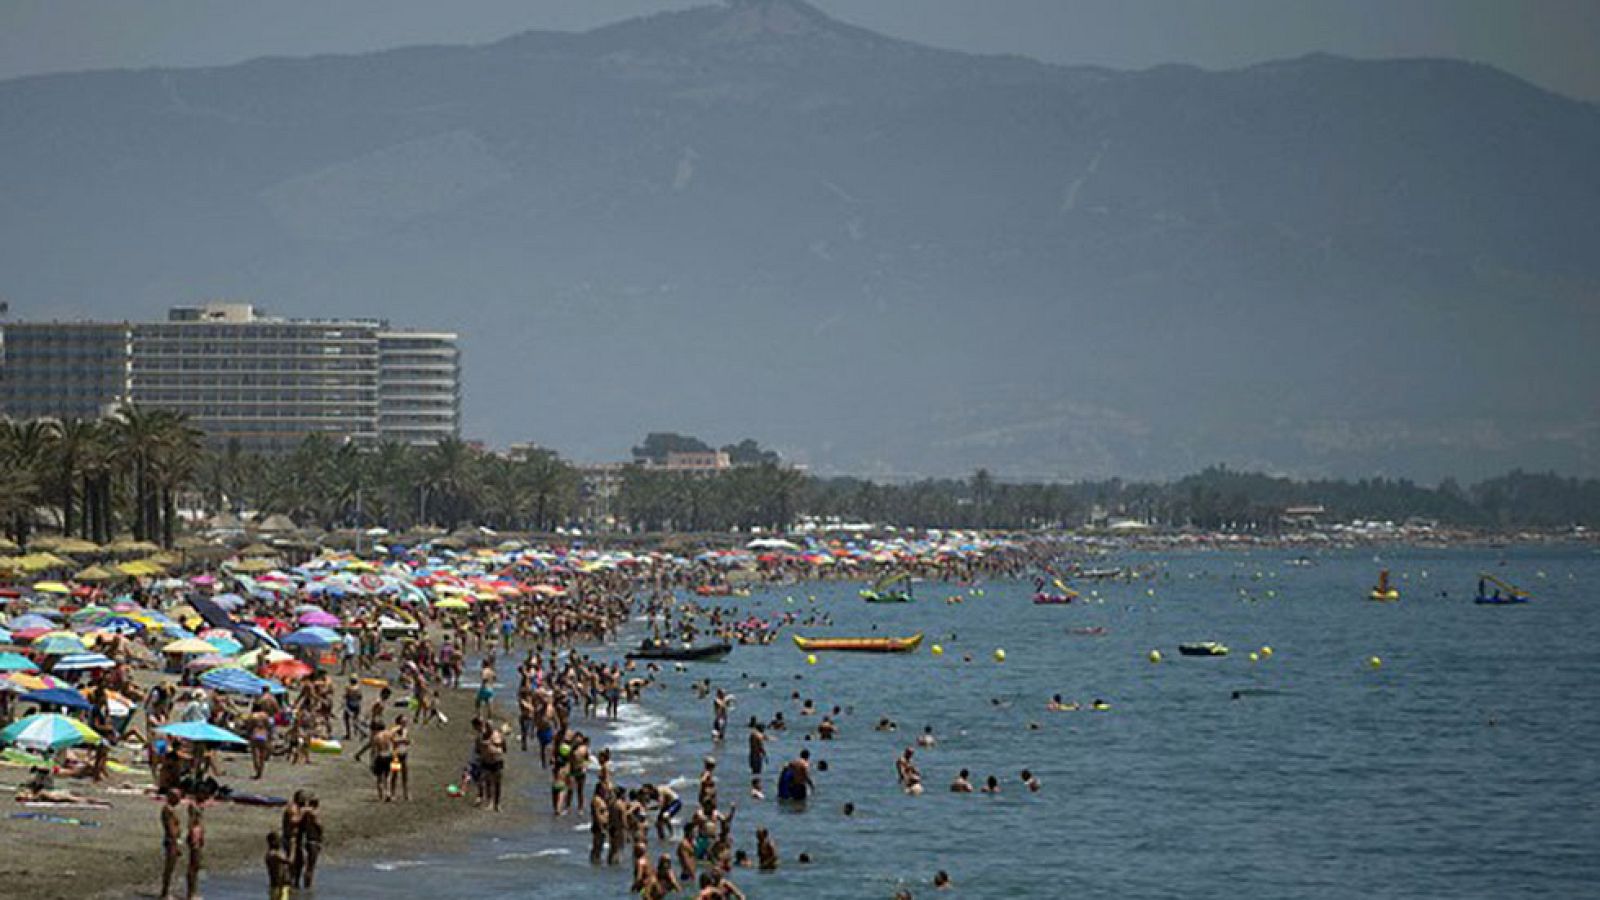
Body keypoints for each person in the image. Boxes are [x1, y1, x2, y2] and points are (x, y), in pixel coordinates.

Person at [160, 789, 184, 899]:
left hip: (173, 839)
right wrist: (175, 842)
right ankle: (165, 893)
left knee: (171, 867)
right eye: (177, 797)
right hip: (171, 840)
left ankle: (166, 891)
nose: (179, 799)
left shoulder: (171, 809)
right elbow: (171, 828)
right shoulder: (168, 810)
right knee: (169, 867)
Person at [300, 796, 324, 889]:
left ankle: (306, 884)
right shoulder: (314, 814)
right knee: (311, 866)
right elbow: (318, 825)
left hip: (308, 840)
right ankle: (308, 886)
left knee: (308, 866)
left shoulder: (305, 814)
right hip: (314, 840)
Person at [185, 797, 205, 900]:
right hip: (195, 836)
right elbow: (192, 819)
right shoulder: (193, 825)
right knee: (193, 865)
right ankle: (190, 893)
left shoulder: (197, 825)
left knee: (196, 866)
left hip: (196, 835)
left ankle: (193, 892)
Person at [265, 832, 292, 900]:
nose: (280, 842)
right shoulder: (274, 854)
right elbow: (290, 861)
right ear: (273, 842)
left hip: (277, 885)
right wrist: (293, 847)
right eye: (278, 840)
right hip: (279, 885)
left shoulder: (270, 854)